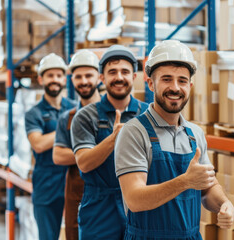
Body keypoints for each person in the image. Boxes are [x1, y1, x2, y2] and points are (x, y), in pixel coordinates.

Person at [115, 40, 234, 240]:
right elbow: (134, 199)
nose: (175, 87)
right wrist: (185, 181)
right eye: (167, 79)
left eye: (182, 80)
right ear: (151, 83)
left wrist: (224, 204)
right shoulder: (134, 133)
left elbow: (207, 188)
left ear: (190, 85)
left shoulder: (195, 134)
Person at [70, 45, 149, 240]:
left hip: (141, 204)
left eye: (125, 72)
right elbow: (84, 163)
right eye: (112, 72)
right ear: (102, 78)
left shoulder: (149, 115)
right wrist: (113, 139)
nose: (119, 77)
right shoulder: (85, 116)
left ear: (134, 77)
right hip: (99, 208)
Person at [25, 53, 76, 240]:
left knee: (76, 233)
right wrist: (64, 129)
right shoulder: (34, 113)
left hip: (73, 180)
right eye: (49, 75)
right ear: (41, 79)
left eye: (58, 75)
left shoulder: (75, 108)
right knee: (48, 236)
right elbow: (38, 144)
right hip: (46, 185)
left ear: (64, 78)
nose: (54, 79)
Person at [53, 49, 101, 240]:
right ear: (72, 80)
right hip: (78, 192)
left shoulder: (113, 113)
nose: (83, 81)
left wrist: (79, 153)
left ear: (99, 77)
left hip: (109, 194)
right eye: (78, 76)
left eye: (89, 75)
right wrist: (92, 153)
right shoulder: (68, 117)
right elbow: (58, 156)